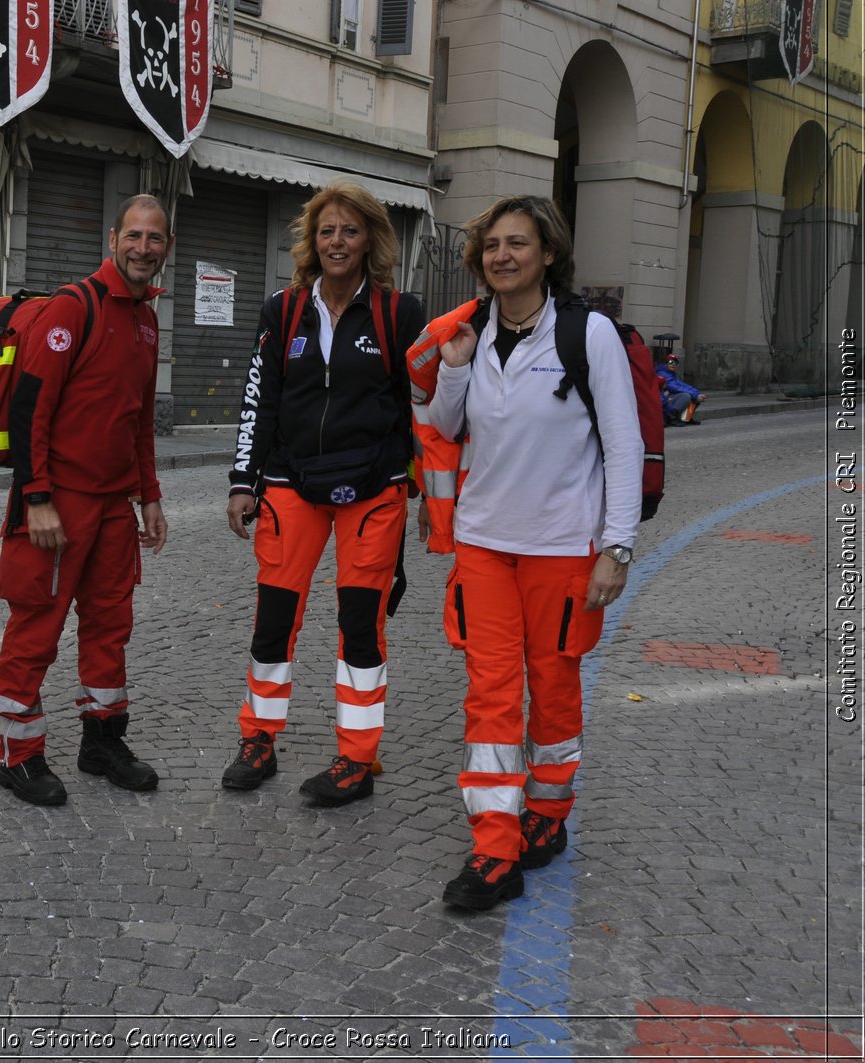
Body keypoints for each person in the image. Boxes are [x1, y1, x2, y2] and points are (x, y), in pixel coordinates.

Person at [428, 195, 643, 910]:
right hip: (484, 547)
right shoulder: (473, 333)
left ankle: (546, 816)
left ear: (548, 253)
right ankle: (495, 847)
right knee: (490, 693)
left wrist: (616, 546)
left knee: (552, 690)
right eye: (492, 245)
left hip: (560, 550)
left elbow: (622, 444)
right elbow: (448, 427)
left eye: (517, 243)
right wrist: (455, 370)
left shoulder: (590, 337)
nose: (502, 255)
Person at [222, 181, 424, 806]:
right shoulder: (282, 311)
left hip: (373, 491)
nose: (337, 242)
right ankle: (259, 738)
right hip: (290, 487)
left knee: (360, 625)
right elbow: (261, 399)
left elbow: (424, 407)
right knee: (275, 619)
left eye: (350, 231)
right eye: (326, 231)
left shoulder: (399, 313)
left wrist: (426, 490)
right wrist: (242, 481)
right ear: (313, 241)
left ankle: (357, 759)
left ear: (371, 242)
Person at [0, 193, 171, 806]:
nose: (143, 248)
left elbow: (139, 419)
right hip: (57, 503)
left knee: (109, 626)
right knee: (36, 625)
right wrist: (36, 498)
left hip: (114, 506)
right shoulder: (74, 307)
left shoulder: (147, 319)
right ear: (113, 237)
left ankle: (101, 742)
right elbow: (29, 408)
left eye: (155, 238)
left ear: (165, 248)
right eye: (135, 236)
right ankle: (18, 757)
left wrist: (149, 495)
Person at [656, 353, 705, 425]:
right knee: (686, 396)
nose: (673, 364)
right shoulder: (662, 373)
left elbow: (682, 385)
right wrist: (695, 394)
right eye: (670, 362)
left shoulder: (672, 374)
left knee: (696, 397)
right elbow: (674, 387)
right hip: (663, 398)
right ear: (666, 363)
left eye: (676, 363)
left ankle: (686, 418)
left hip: (669, 396)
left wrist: (697, 393)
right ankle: (672, 418)